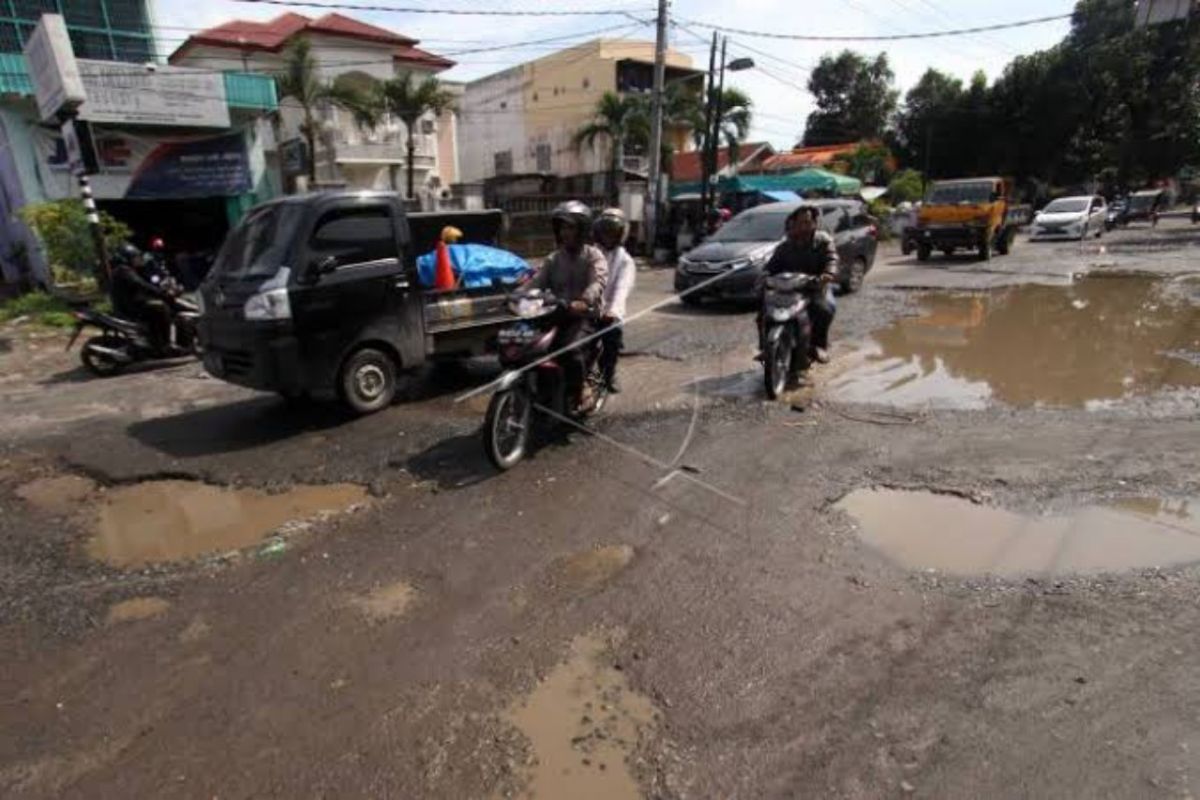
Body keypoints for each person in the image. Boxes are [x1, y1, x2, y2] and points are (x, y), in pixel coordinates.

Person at [525, 201, 608, 410]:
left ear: (582, 229)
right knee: (532, 346)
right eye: (561, 227)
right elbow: (535, 282)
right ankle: (543, 392)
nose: (564, 232)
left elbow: (597, 281)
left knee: (570, 351)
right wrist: (514, 295)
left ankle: (581, 390)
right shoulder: (554, 259)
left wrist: (585, 300)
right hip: (559, 313)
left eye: (570, 227)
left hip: (585, 316)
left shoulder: (593, 255)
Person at [759, 205, 839, 365]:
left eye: (808, 222)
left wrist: (828, 274)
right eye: (800, 223)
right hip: (789, 287)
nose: (804, 227)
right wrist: (764, 276)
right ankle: (765, 348)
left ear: (814, 223)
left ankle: (818, 346)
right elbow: (772, 266)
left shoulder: (823, 240)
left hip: (815, 287)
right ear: (793, 224)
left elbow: (832, 259)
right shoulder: (785, 245)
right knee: (764, 311)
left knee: (826, 309)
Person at [593, 208, 636, 393]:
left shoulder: (625, 261)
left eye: (612, 232)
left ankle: (608, 373)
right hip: (586, 307)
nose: (608, 236)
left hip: (608, 311)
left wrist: (612, 310)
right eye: (605, 232)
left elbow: (621, 289)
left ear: (620, 234)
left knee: (612, 335)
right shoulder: (590, 252)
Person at [109, 242, 176, 353]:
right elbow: (142, 285)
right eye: (135, 257)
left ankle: (156, 339)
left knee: (157, 306)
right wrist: (161, 293)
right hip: (130, 307)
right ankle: (163, 344)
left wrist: (161, 289)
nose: (138, 259)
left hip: (132, 304)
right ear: (126, 259)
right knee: (161, 308)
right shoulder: (124, 271)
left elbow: (145, 283)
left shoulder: (128, 270)